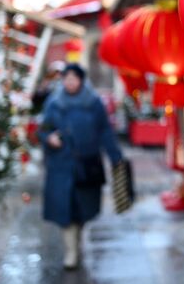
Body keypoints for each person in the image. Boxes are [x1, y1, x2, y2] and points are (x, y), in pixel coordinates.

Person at [38, 63, 123, 269]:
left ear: (82, 80)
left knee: (82, 208)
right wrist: (49, 139)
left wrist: (115, 156)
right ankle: (71, 252)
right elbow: (43, 129)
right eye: (66, 78)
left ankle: (77, 239)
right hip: (61, 165)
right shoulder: (54, 103)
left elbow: (105, 131)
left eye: (74, 78)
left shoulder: (94, 103)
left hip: (87, 165)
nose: (70, 82)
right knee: (64, 209)